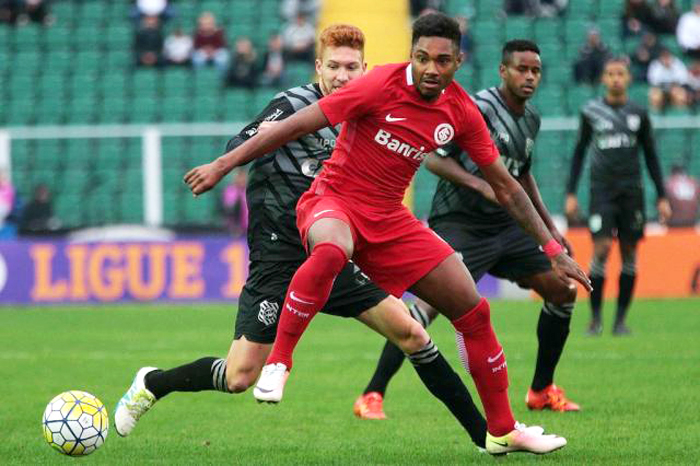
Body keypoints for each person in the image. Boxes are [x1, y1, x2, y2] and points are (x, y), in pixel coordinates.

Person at [185, 13, 591, 455]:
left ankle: (502, 431)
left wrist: (553, 248)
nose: (431, 68)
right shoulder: (377, 84)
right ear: (410, 55)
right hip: (332, 201)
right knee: (332, 250)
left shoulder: (460, 111)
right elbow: (294, 126)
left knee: (473, 312)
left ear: (459, 61)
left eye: (442, 60)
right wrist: (222, 166)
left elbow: (508, 185)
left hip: (388, 220)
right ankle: (279, 362)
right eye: (422, 58)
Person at [115, 24, 494, 453]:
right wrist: (224, 166)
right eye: (333, 66)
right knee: (241, 376)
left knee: (413, 334)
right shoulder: (295, 104)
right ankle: (154, 382)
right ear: (319, 66)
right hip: (281, 255)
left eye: (352, 67)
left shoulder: (369, 109)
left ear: (365, 69)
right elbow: (247, 141)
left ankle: (486, 437)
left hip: (337, 250)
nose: (342, 76)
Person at [354, 39, 580, 422]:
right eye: (521, 69)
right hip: (460, 223)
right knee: (425, 311)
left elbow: (521, 173)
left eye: (535, 71)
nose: (529, 77)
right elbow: (434, 161)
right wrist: (479, 185)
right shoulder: (475, 108)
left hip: (505, 228)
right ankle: (372, 393)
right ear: (502, 71)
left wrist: (548, 228)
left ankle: (541, 390)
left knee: (562, 290)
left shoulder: (531, 118)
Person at [566, 58, 671, 336]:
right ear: (603, 78)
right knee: (600, 250)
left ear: (628, 79)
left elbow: (650, 155)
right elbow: (579, 152)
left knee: (629, 253)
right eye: (610, 73)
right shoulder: (591, 111)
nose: (615, 78)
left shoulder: (639, 113)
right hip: (601, 191)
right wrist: (570, 193)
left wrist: (662, 195)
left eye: (620, 74)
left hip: (631, 192)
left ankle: (621, 320)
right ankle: (595, 318)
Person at [219, 169, 248, 236]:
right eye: (239, 177)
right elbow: (229, 208)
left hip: (249, 228)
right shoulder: (229, 191)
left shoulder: (249, 191)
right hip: (233, 230)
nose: (241, 180)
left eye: (243, 177)